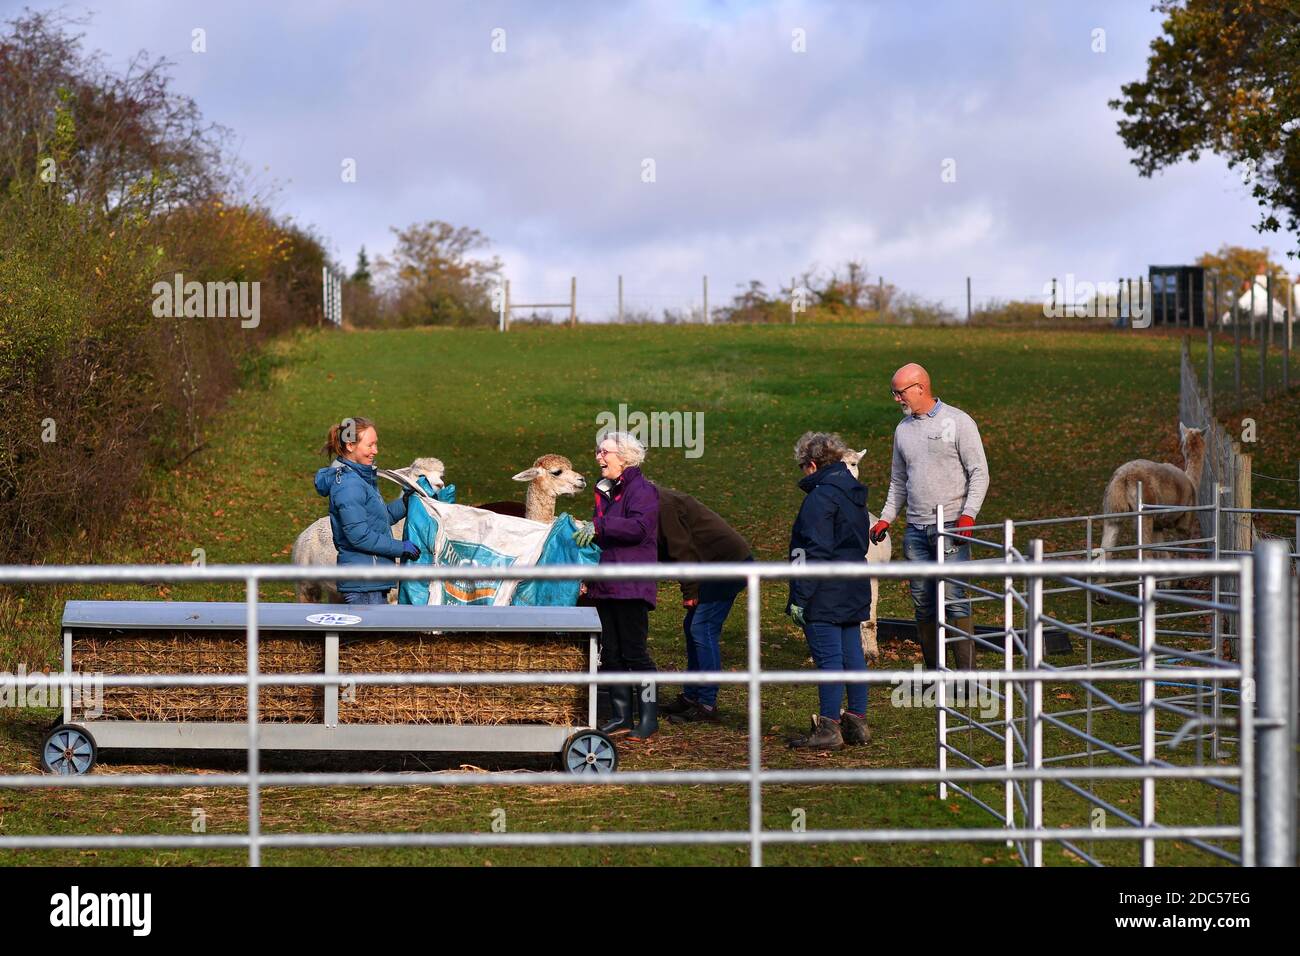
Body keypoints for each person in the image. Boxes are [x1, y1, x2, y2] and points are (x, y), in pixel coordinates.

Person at [870, 363, 989, 672]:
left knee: (954, 598)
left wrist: (968, 516)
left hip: (951, 528)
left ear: (920, 388)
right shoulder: (903, 430)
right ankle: (935, 673)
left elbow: (979, 473)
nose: (896, 399)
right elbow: (899, 481)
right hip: (915, 530)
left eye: (900, 393)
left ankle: (966, 676)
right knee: (923, 603)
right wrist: (886, 519)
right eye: (893, 393)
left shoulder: (958, 422)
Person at [785, 431, 874, 750]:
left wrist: (800, 597)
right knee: (852, 652)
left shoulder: (821, 496)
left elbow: (815, 551)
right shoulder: (853, 492)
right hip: (854, 580)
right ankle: (857, 721)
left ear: (811, 464)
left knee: (829, 658)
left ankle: (828, 727)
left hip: (826, 588)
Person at [577, 430, 661, 742]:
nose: (599, 457)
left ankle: (649, 718)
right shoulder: (606, 492)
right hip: (606, 585)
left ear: (623, 458)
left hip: (631, 586)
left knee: (635, 653)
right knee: (611, 653)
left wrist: (599, 526)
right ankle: (621, 715)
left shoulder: (642, 491)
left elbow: (639, 528)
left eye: (605, 452)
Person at [656, 487, 753, 724]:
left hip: (727, 564)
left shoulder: (661, 503)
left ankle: (706, 703)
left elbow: (680, 549)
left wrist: (690, 589)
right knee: (693, 626)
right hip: (708, 565)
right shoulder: (650, 500)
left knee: (702, 628)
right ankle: (691, 696)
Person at [313, 416, 420, 605]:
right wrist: (399, 548)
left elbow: (380, 518)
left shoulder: (360, 479)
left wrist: (406, 501)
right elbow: (359, 535)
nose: (375, 451)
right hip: (363, 582)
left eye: (376, 444)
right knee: (367, 635)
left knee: (374, 634)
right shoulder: (348, 484)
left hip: (372, 579)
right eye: (370, 445)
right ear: (350, 446)